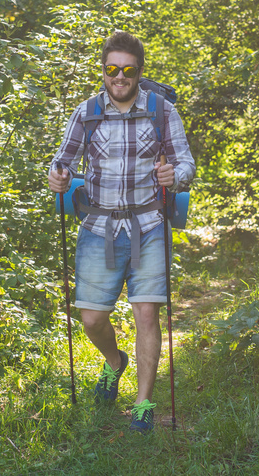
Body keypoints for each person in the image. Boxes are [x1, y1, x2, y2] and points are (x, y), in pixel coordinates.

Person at [49, 31, 195, 433]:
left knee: (147, 312)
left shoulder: (162, 112)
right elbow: (62, 160)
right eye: (112, 69)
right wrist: (58, 177)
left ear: (139, 72)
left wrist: (175, 175)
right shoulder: (87, 113)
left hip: (149, 224)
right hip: (98, 225)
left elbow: (186, 163)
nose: (120, 76)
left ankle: (144, 403)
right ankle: (115, 363)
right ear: (103, 70)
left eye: (128, 70)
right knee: (92, 318)